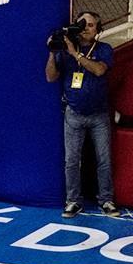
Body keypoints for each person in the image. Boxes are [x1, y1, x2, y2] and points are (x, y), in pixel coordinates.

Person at [45, 12, 120, 218]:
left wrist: (75, 54)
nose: (86, 28)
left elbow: (98, 71)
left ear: (98, 29)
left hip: (98, 114)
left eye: (91, 25)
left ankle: (106, 200)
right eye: (82, 24)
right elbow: (51, 77)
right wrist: (53, 52)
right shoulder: (66, 50)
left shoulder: (104, 49)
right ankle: (73, 201)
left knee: (103, 159)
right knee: (71, 160)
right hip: (74, 113)